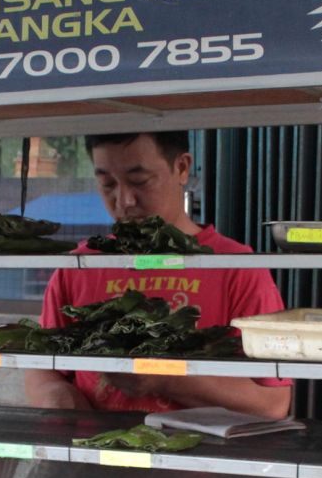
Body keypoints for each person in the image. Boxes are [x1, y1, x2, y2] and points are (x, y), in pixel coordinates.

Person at [24, 131, 293, 419]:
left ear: (182, 168)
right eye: (107, 184)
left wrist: (165, 377)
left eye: (140, 181)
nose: (124, 200)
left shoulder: (236, 267)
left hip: (196, 449)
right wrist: (57, 397)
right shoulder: (80, 266)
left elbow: (272, 403)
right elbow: (42, 368)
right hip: (93, 444)